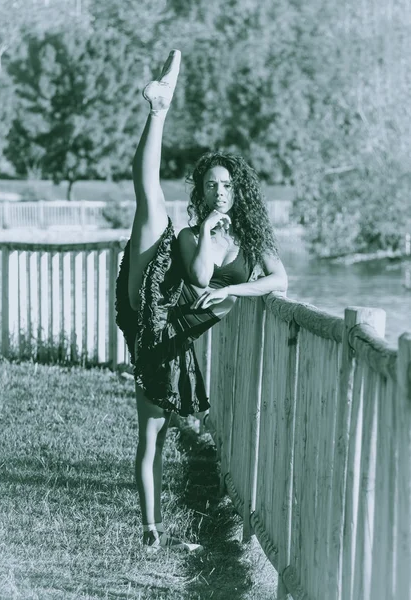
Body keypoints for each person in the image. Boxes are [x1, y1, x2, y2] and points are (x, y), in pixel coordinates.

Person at [115, 49, 288, 553]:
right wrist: (209, 230)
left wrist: (236, 288)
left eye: (227, 185)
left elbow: (278, 281)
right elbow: (197, 274)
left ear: (239, 190)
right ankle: (158, 109)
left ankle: (151, 527)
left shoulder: (256, 238)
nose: (219, 192)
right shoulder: (193, 233)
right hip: (157, 300)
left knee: (157, 433)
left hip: (178, 329)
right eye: (211, 185)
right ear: (201, 190)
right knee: (149, 199)